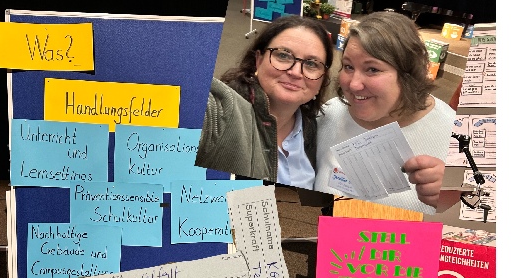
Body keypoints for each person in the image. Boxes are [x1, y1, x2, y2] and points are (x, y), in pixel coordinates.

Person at [313, 11, 460, 214]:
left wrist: (458, 205)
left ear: (407, 75)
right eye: (348, 66)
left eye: (372, 69)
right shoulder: (329, 115)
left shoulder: (457, 137)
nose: (354, 84)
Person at [195, 15, 334, 188]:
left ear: (322, 79)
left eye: (312, 64)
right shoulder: (222, 112)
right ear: (258, 60)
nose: (296, 72)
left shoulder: (312, 128)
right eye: (283, 55)